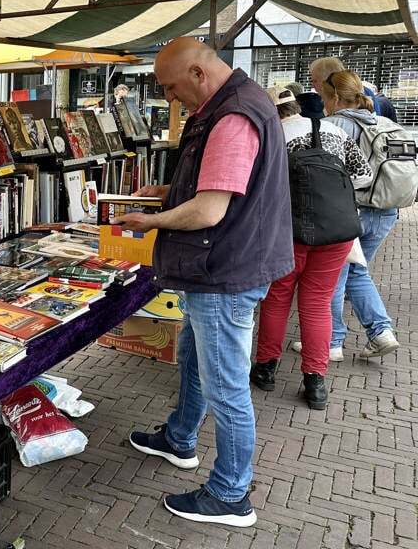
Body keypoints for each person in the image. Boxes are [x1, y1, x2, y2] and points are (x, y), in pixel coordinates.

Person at [116, 37, 294, 527]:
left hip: (223, 272)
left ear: (197, 74)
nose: (170, 99)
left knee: (227, 388)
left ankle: (231, 494)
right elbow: (219, 188)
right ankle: (180, 438)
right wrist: (168, 193)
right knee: (194, 360)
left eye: (172, 87)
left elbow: (210, 210)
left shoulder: (233, 117)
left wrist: (153, 221)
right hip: (222, 266)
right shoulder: (236, 104)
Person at [251, 87, 372, 410]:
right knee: (317, 305)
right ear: (296, 107)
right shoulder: (332, 129)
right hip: (336, 232)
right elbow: (363, 176)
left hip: (289, 233)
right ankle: (315, 382)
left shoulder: (272, 139)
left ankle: (266, 369)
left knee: (276, 300)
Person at [315, 69, 401, 359]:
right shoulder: (385, 121)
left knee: (334, 276)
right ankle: (381, 331)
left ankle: (331, 342)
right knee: (355, 270)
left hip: (351, 211)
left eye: (323, 96)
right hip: (387, 209)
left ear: (335, 97)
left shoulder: (331, 125)